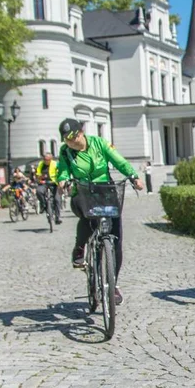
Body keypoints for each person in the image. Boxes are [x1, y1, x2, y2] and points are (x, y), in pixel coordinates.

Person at [56, 118, 143, 305]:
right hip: (82, 191)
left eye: (73, 138)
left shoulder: (99, 143)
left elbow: (118, 160)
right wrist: (62, 181)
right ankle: (80, 248)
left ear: (81, 132)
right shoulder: (65, 152)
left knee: (116, 238)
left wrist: (133, 176)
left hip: (105, 190)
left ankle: (113, 284)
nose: (71, 143)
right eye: (67, 140)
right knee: (87, 217)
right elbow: (62, 170)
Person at [35, 151, 61, 224]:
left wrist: (60, 180)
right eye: (44, 159)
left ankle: (58, 217)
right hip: (44, 183)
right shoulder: (40, 164)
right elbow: (38, 174)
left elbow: (60, 172)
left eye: (47, 160)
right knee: (38, 191)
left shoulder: (55, 164)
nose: (46, 161)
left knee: (57, 200)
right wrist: (39, 179)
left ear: (51, 159)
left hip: (54, 183)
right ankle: (43, 205)